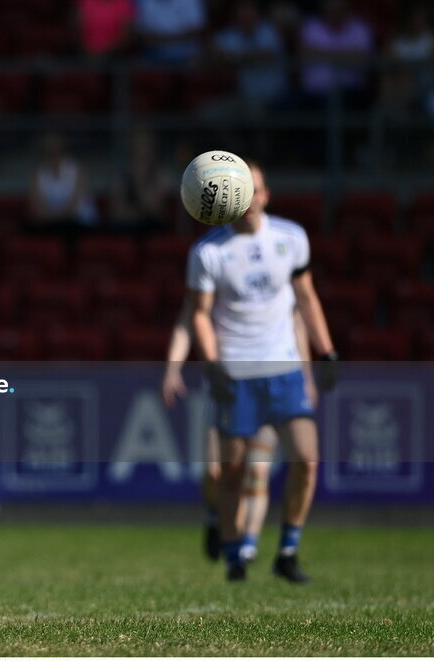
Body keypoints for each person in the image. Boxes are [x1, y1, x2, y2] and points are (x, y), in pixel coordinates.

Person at [186, 161, 338, 583]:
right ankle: (235, 555)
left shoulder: (291, 239)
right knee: (232, 471)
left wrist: (325, 352)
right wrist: (212, 363)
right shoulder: (208, 251)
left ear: (266, 196)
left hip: (286, 369)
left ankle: (287, 550)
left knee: (307, 460)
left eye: (255, 190)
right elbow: (199, 315)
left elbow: (307, 299)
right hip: (236, 373)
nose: (248, 199)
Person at [163, 301, 317, 564]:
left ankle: (248, 544)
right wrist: (173, 367)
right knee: (216, 471)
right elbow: (189, 318)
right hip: (230, 387)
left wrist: (307, 376)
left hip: (274, 383)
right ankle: (214, 517)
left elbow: (297, 324)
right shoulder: (218, 272)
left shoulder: (279, 276)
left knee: (257, 471)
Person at [26, 131, 97, 238]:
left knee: (67, 229)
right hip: (49, 220)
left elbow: (75, 203)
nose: (52, 150)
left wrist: (57, 217)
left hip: (78, 219)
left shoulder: (77, 169)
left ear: (62, 147)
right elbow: (36, 204)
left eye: (55, 146)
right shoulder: (38, 173)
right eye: (49, 146)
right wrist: (50, 217)